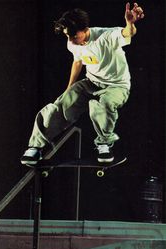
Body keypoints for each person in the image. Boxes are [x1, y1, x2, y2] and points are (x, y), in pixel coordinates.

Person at [21, 3, 144, 165]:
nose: (71, 40)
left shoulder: (105, 37)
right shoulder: (72, 43)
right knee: (61, 105)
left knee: (102, 104)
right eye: (67, 36)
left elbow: (127, 33)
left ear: (85, 29)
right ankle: (35, 147)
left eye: (74, 35)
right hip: (91, 83)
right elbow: (77, 62)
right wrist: (69, 89)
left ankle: (104, 143)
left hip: (116, 86)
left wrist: (130, 23)